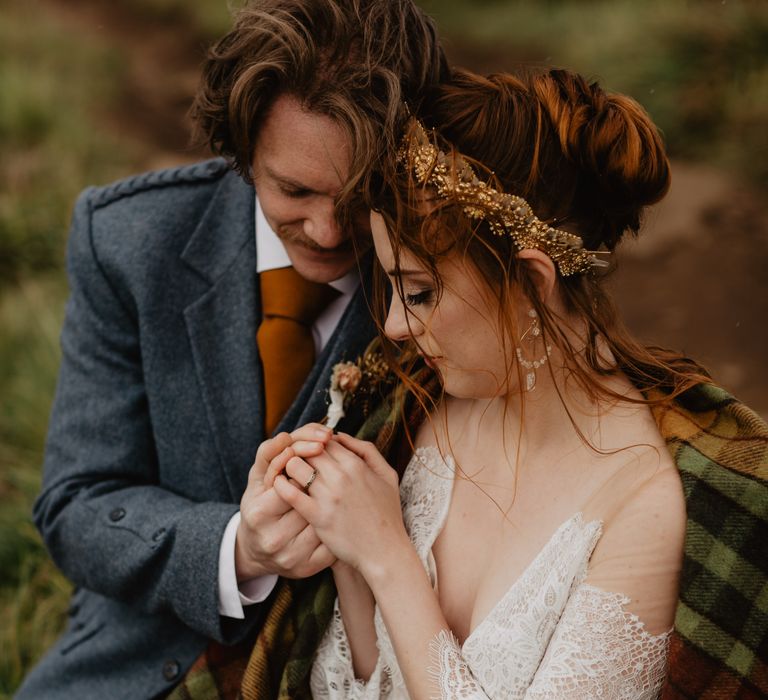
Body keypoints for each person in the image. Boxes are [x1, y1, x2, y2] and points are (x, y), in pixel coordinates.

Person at [259, 68, 768, 698]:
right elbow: (356, 684)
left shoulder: (641, 504)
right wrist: (346, 549)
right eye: (389, 286)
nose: (391, 325)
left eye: (417, 291)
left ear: (532, 281)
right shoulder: (420, 406)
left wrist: (390, 559)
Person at [16, 2, 446, 698]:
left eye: (363, 189)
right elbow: (77, 504)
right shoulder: (127, 242)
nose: (330, 229)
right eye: (294, 190)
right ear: (242, 151)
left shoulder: (455, 273)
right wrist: (234, 550)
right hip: (137, 667)